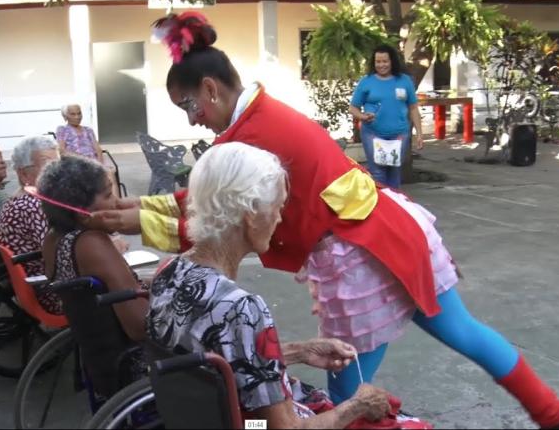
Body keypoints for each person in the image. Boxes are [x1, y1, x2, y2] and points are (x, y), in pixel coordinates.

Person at [90, 12, 559, 430]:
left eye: (189, 106)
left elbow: (211, 203)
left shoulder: (241, 151)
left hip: (359, 249)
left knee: (348, 376)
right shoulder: (255, 125)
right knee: (451, 337)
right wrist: (138, 213)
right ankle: (558, 418)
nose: (192, 120)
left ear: (211, 88)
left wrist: (136, 216)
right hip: (384, 232)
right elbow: (206, 198)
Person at [148, 142, 402, 429]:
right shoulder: (241, 308)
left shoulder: (169, 272)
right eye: (277, 207)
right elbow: (285, 429)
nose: (280, 219)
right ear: (251, 213)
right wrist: (357, 406)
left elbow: (225, 361)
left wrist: (299, 351)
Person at [38, 155, 147, 403]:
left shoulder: (54, 238)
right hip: (134, 366)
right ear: (81, 209)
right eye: (108, 195)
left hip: (101, 364)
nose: (117, 203)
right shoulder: (91, 244)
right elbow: (141, 326)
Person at [0, 136, 63, 314]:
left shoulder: (22, 198)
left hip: (38, 283)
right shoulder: (34, 205)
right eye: (48, 166)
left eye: (59, 165)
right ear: (24, 174)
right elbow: (60, 255)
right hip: (53, 292)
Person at [349, 45, 423, 189]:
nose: (381, 65)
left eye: (385, 61)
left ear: (392, 61)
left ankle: (394, 207)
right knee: (378, 173)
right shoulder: (366, 81)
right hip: (373, 134)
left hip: (399, 135)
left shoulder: (405, 81)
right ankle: (381, 208)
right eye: (378, 62)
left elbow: (413, 108)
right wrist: (363, 117)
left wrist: (419, 134)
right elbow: (353, 108)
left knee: (394, 173)